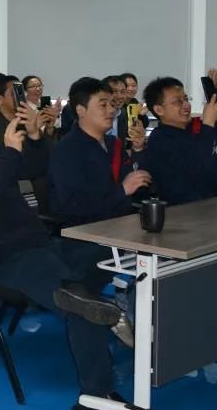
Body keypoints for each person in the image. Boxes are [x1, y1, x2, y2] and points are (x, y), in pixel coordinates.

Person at [0, 94, 130, 402]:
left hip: (40, 243)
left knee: (108, 255)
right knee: (77, 298)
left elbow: (35, 167)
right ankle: (98, 392)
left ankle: (96, 309)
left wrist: (35, 136)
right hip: (6, 256)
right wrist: (9, 151)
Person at [49, 78, 151, 288]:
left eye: (112, 104)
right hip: (87, 237)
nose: (111, 110)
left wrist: (139, 150)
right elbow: (73, 206)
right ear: (81, 110)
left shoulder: (114, 145)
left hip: (121, 229)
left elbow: (141, 189)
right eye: (103, 105)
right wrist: (122, 190)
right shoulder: (67, 150)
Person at [138, 72, 217, 205]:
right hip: (190, 209)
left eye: (186, 99)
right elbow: (197, 167)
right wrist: (208, 124)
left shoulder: (196, 127)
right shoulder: (159, 140)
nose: (186, 105)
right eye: (177, 102)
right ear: (159, 110)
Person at [0, 73, 22, 146]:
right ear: (0, 99)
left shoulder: (28, 119)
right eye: (13, 94)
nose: (19, 97)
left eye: (20, 93)